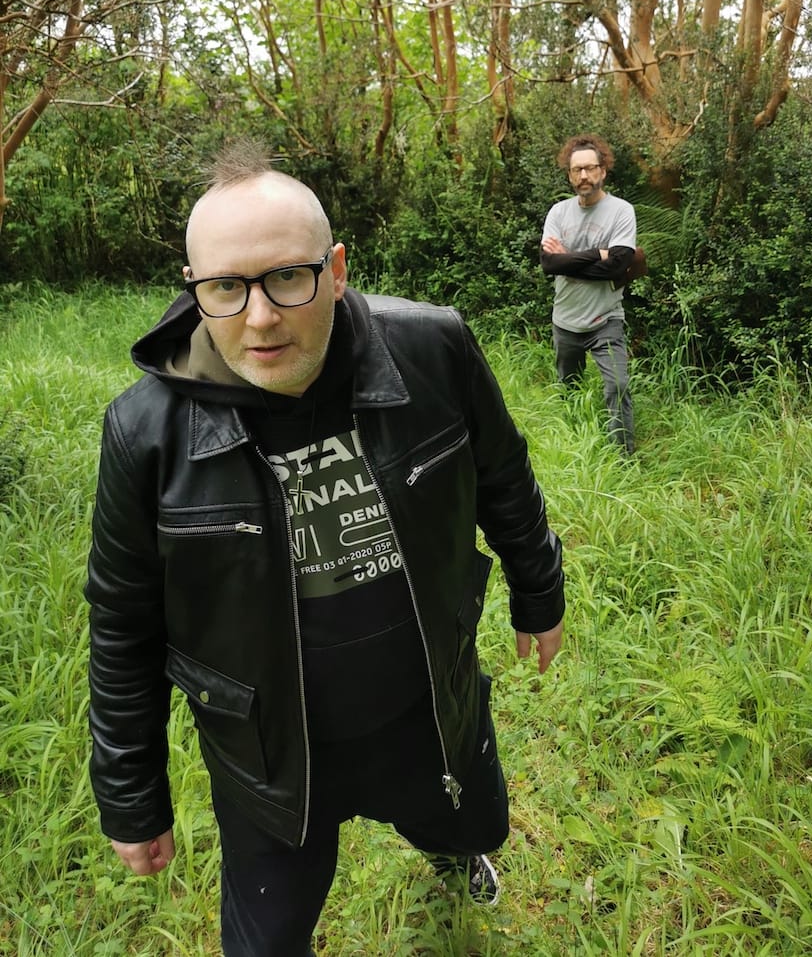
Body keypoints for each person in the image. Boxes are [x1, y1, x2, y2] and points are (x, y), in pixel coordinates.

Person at [85, 139, 565, 957]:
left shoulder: (431, 349)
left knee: (476, 819)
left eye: (287, 277)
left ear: (335, 268)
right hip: (269, 760)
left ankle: (456, 849)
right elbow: (124, 623)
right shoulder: (146, 431)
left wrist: (539, 589)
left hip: (425, 709)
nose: (261, 315)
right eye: (226, 288)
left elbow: (501, 472)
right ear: (196, 292)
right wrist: (132, 797)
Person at [540, 133, 639, 454]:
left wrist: (565, 258)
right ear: (569, 175)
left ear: (603, 171)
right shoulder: (558, 213)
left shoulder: (621, 211)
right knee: (569, 388)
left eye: (590, 168)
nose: (584, 175)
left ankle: (624, 456)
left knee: (618, 386)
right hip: (565, 321)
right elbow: (547, 264)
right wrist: (600, 254)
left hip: (605, 320)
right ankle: (573, 446)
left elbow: (619, 265)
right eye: (577, 170)